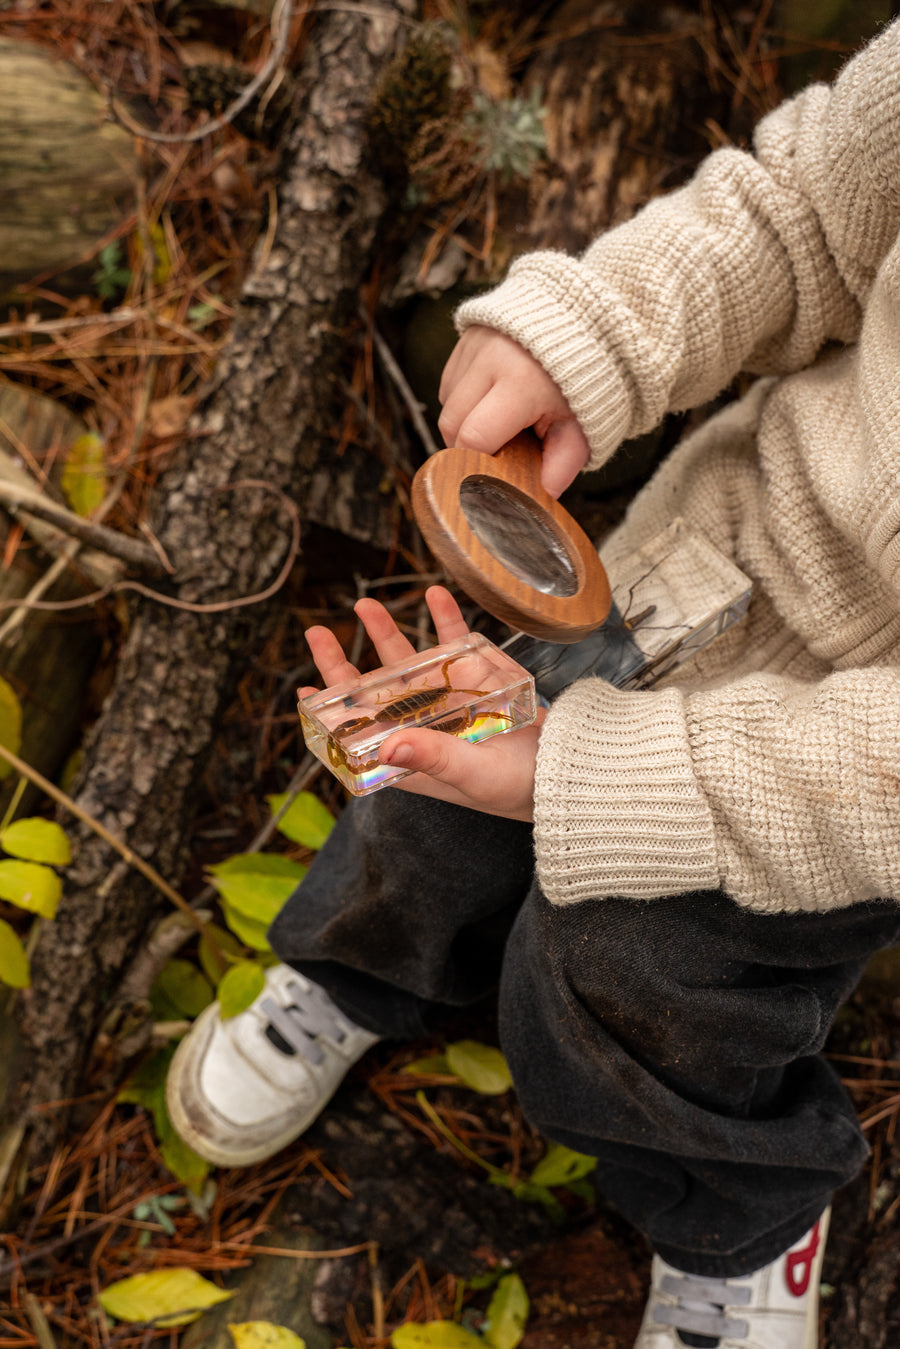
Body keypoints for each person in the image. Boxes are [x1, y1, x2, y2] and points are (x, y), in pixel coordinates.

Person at [167, 20, 900, 1348]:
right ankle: (358, 972)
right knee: (428, 761)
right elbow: (801, 219)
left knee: (628, 963)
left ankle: (738, 1217)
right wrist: (597, 335)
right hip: (712, 561)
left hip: (840, 788)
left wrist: (589, 769)